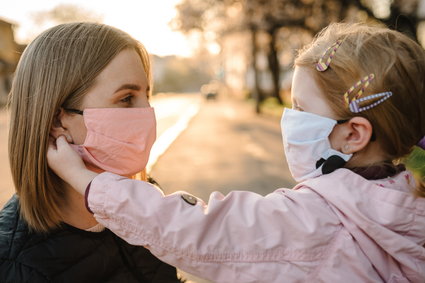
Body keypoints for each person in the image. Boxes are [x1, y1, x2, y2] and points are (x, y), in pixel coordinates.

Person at [48, 23, 425, 282]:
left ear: (354, 134)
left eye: (300, 108)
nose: (290, 119)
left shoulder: (317, 222)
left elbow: (193, 228)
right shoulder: (408, 201)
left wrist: (85, 181)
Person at [0, 22, 183, 282]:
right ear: (57, 121)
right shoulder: (14, 264)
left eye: (147, 96)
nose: (148, 114)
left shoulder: (142, 201)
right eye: (127, 98)